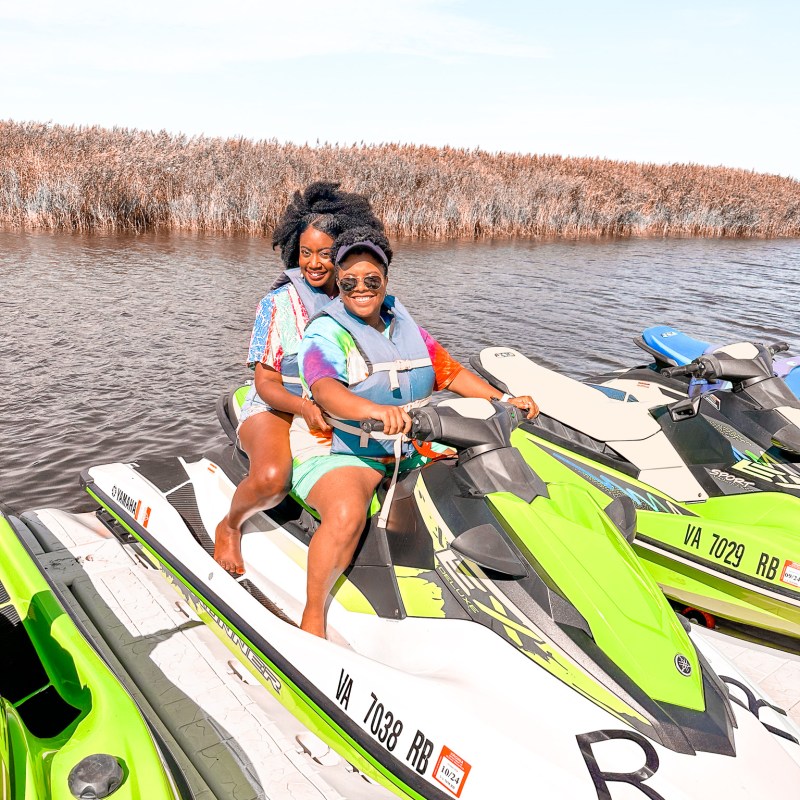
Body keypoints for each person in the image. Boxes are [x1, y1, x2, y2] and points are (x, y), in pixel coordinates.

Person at [292, 226, 539, 637]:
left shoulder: (404, 325)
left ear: (385, 279)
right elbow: (325, 390)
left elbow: (451, 372)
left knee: (480, 475)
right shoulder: (326, 333)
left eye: (371, 280)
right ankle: (313, 613)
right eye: (349, 281)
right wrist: (373, 409)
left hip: (410, 442)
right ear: (338, 282)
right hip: (344, 447)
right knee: (346, 512)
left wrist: (503, 399)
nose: (361, 289)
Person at [214, 183, 386, 574]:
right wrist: (303, 407)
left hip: (335, 402)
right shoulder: (277, 304)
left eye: (325, 254)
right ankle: (230, 525)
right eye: (305, 253)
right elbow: (265, 381)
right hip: (280, 402)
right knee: (274, 479)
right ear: (295, 251)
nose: (314, 263)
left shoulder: (356, 296)